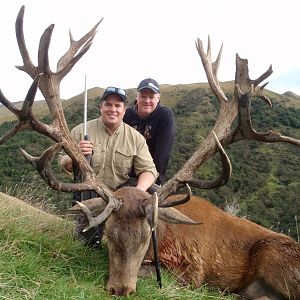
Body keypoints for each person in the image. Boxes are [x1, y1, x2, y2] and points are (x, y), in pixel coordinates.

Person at [58, 86, 158, 246]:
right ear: (101, 107)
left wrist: (138, 193)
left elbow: (148, 170)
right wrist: (75, 155)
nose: (113, 109)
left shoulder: (136, 138)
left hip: (121, 197)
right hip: (90, 193)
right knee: (87, 244)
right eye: (108, 105)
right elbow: (64, 164)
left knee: (156, 191)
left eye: (118, 106)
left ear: (124, 110)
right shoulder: (80, 131)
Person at [123, 78, 175, 185]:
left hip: (150, 177)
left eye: (151, 97)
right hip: (124, 177)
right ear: (136, 97)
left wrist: (155, 181)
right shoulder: (126, 115)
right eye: (143, 96)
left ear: (158, 98)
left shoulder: (164, 115)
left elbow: (162, 153)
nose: (147, 101)